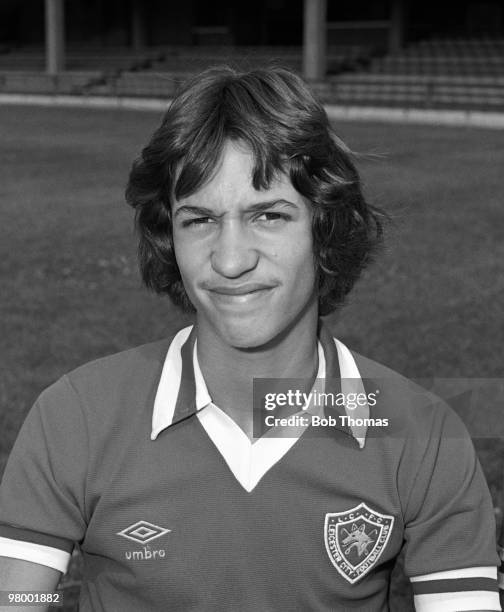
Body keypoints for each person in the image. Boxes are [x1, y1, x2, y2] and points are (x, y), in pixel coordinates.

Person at [0, 66, 500, 612]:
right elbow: (17, 597)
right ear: (170, 235)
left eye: (268, 215)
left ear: (324, 227)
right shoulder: (77, 415)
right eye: (200, 220)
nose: (230, 260)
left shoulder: (419, 431)